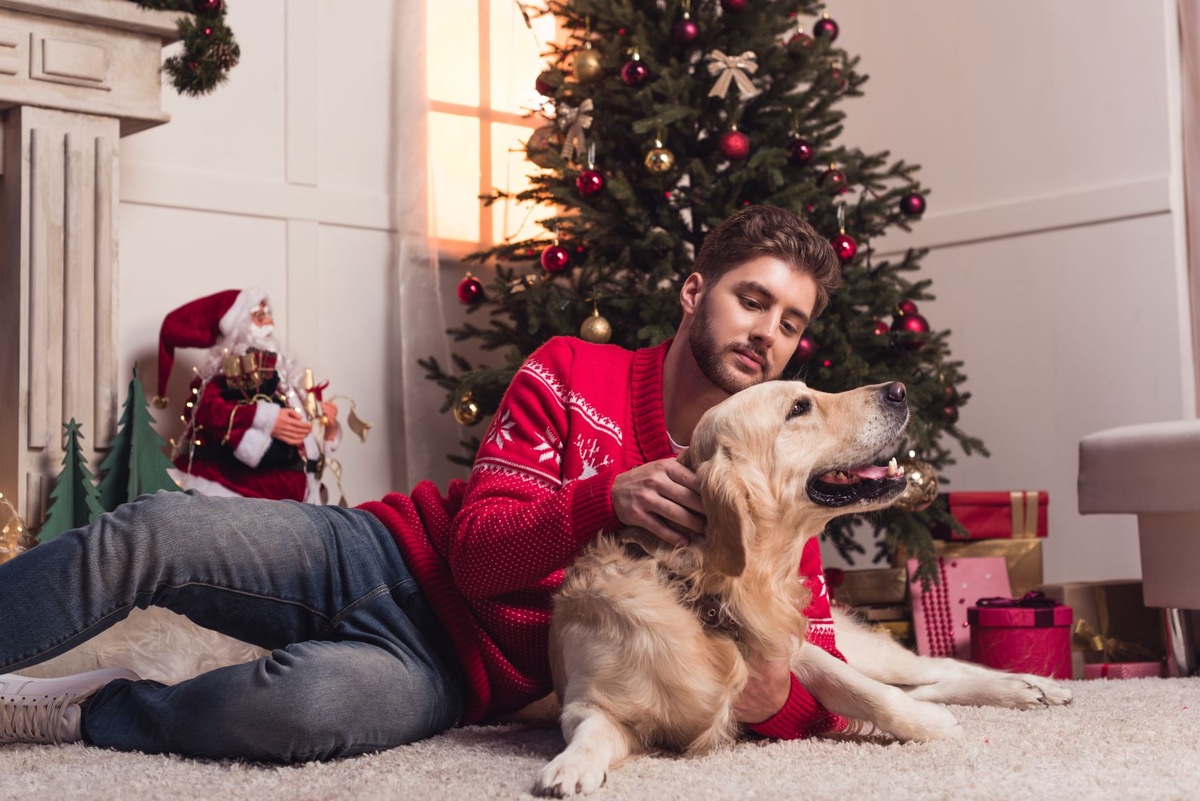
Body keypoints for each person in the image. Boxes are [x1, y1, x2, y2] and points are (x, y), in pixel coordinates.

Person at [0, 205, 842, 762]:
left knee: (304, 708)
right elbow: (476, 557)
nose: (765, 332)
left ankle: (90, 708)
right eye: (752, 300)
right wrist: (604, 498)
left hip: (450, 669)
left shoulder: (768, 476)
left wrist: (776, 703)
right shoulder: (571, 368)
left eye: (789, 322)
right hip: (384, 552)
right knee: (156, 532)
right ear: (697, 292)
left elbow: (827, 681)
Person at [155, 289, 341, 503]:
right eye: (259, 316)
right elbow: (205, 410)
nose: (269, 323)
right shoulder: (227, 374)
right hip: (242, 503)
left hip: (296, 505)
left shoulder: (285, 377)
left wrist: (328, 428)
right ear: (238, 327)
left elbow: (305, 434)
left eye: (268, 314)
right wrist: (267, 418)